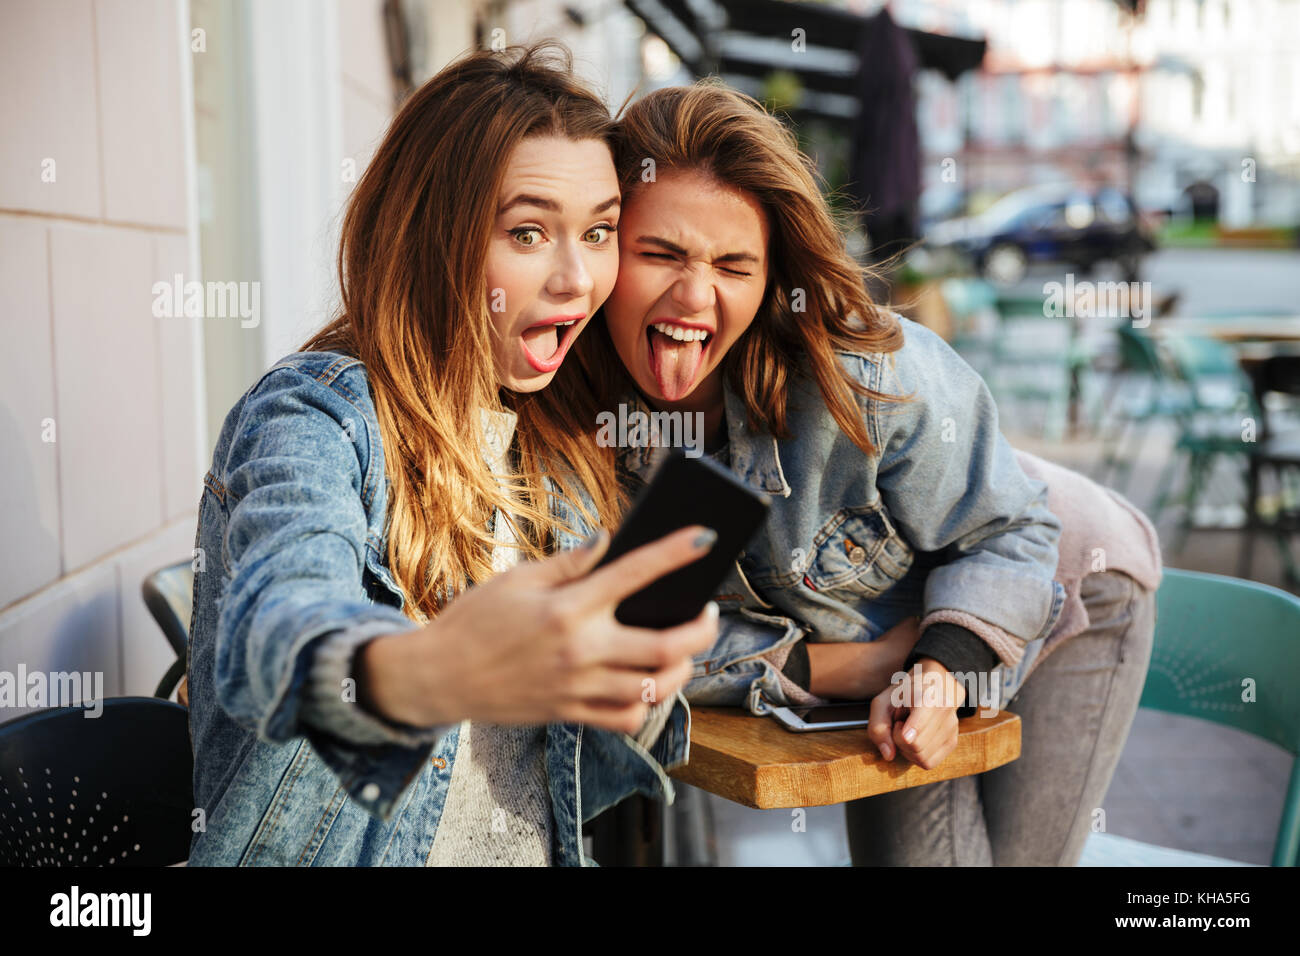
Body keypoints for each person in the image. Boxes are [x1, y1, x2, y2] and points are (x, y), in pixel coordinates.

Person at [564, 80, 1159, 865]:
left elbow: (1011, 530)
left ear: (773, 276)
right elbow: (615, 640)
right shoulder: (580, 411)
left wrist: (939, 672)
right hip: (885, 638)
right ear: (607, 244)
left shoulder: (864, 376)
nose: (694, 295)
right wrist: (832, 665)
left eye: (734, 266)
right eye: (659, 253)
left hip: (1065, 582)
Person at [185, 43, 717, 867]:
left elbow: (577, 775)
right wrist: (429, 671)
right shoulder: (317, 415)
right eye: (529, 231)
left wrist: (639, 676)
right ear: (436, 233)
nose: (579, 277)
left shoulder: (558, 448)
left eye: (602, 231)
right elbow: (274, 638)